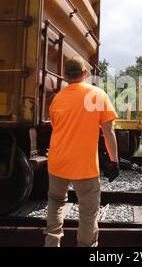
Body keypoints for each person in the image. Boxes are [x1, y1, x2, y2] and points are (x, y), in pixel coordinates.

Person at [45, 57, 120, 247]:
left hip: (57, 162)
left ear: (64, 75)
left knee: (55, 202)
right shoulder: (97, 95)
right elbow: (108, 131)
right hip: (84, 166)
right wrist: (114, 161)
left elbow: (56, 127)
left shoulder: (57, 99)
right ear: (85, 74)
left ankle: (51, 243)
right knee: (88, 211)